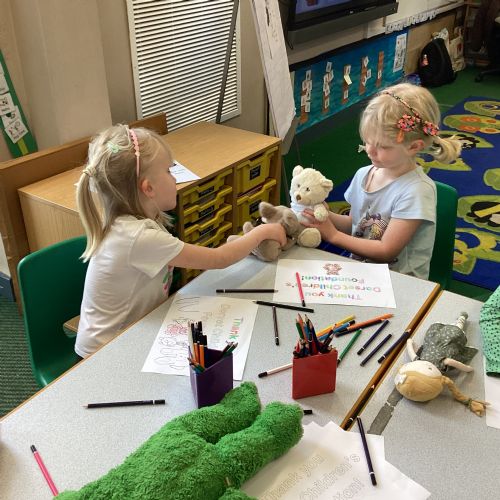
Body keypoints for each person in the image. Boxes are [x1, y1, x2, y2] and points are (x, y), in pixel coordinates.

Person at [75, 124, 286, 358]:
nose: (175, 178)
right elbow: (220, 259)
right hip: (102, 355)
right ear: (148, 188)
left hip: (132, 334)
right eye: (169, 170)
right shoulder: (138, 237)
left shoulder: (136, 223)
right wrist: (262, 232)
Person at [302, 83, 461, 279]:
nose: (370, 150)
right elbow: (354, 225)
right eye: (367, 141)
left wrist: (333, 236)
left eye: (382, 146)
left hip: (401, 281)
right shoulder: (363, 174)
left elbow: (386, 251)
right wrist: (326, 216)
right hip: (364, 273)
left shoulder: (417, 191)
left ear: (414, 147)